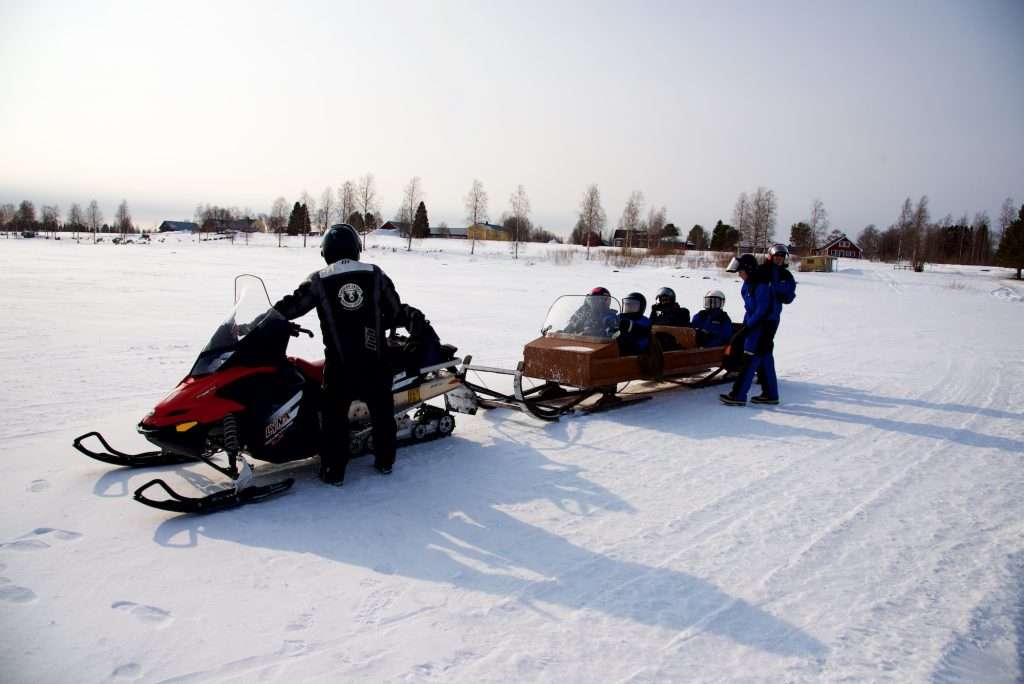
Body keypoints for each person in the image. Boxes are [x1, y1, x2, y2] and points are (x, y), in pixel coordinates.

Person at [273, 224, 404, 485]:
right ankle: (385, 462)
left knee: (334, 418)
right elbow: (396, 310)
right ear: (357, 248)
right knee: (382, 413)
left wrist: (264, 320)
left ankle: (334, 472)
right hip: (375, 360)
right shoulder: (376, 274)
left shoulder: (319, 279)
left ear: (326, 251)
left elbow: (292, 306)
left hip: (340, 364)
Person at [719, 253, 779, 406]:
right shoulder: (749, 284)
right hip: (756, 325)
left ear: (749, 269)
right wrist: (745, 325)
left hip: (763, 327)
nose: (739, 274)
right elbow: (751, 310)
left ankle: (737, 396)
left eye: (741, 271)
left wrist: (748, 327)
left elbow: (762, 311)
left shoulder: (761, 285)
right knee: (766, 360)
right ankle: (771, 395)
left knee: (749, 360)